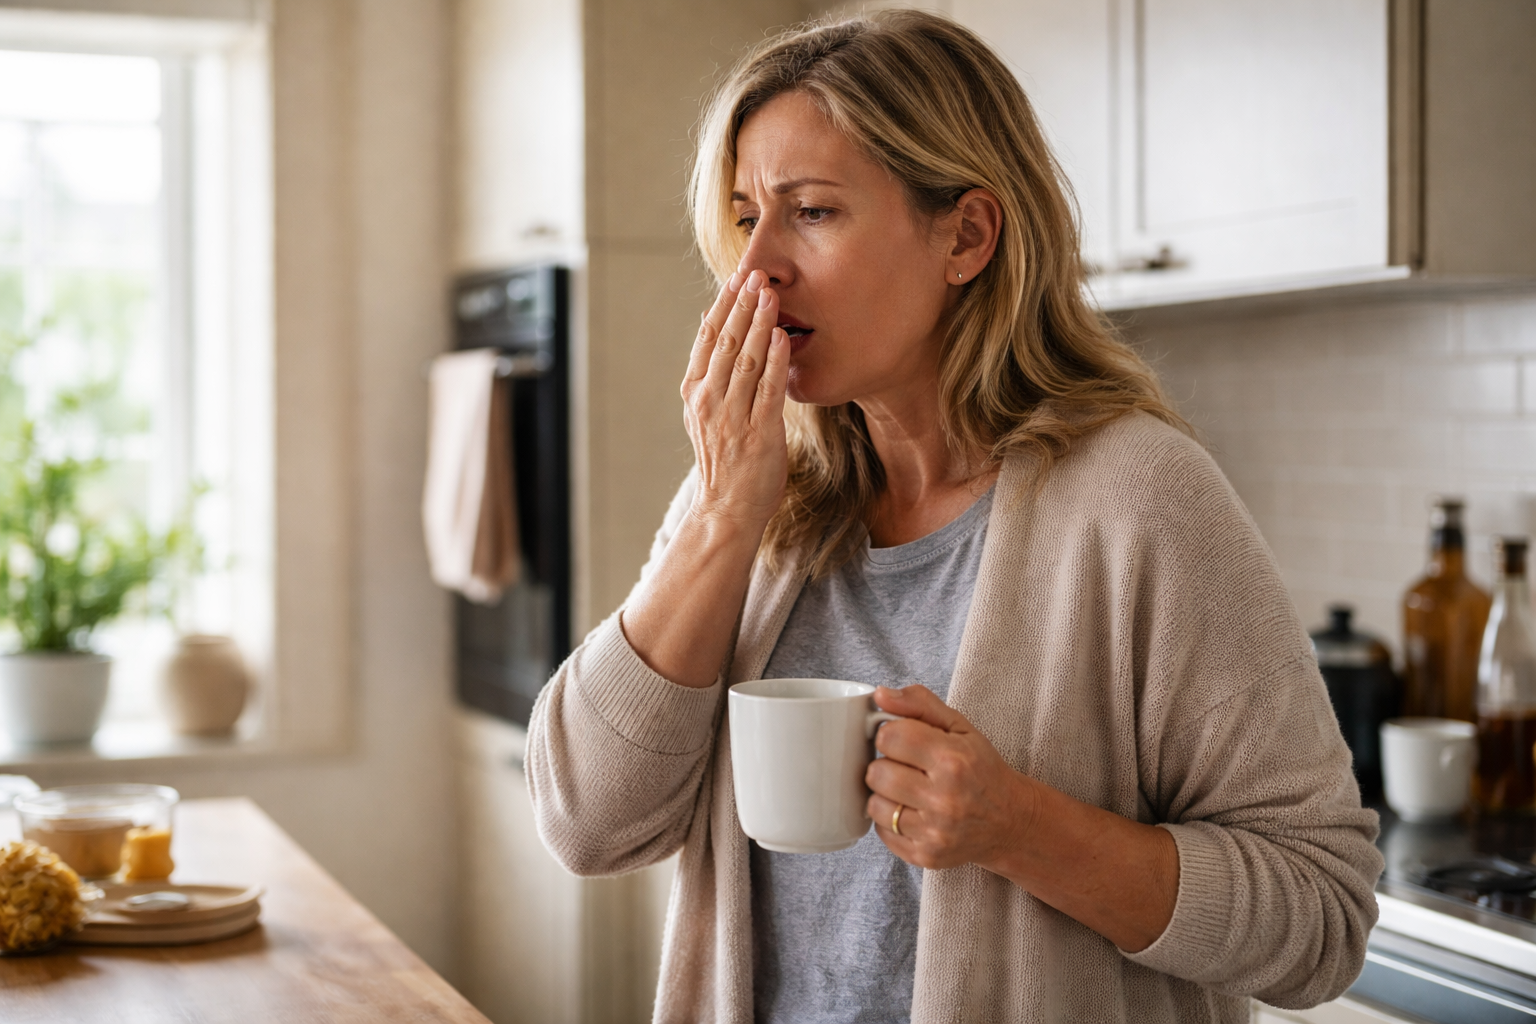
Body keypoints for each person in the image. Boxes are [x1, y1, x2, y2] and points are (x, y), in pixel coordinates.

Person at [526, 10, 1382, 1024]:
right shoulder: (756, 496)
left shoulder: (1143, 500)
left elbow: (1321, 916)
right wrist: (721, 517)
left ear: (966, 235)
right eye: (747, 216)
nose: (757, 268)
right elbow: (585, 821)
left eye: (812, 212)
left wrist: (1019, 826)